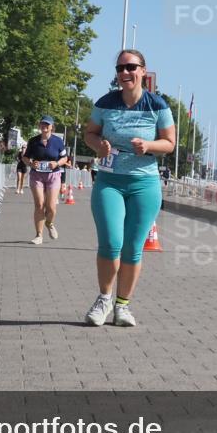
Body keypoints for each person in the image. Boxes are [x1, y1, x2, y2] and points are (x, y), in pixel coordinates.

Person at [83, 49, 176, 327]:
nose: (125, 73)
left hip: (143, 184)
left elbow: (169, 143)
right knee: (111, 243)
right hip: (110, 181)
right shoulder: (105, 103)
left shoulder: (157, 106)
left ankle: (122, 307)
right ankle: (103, 299)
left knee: (133, 248)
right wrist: (98, 145)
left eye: (131, 67)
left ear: (143, 71)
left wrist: (148, 146)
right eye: (120, 68)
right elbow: (89, 133)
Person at [25, 116, 68, 244]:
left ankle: (49, 223)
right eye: (42, 124)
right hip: (37, 175)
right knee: (39, 204)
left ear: (51, 127)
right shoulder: (33, 141)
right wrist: (31, 163)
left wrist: (57, 163)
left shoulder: (58, 141)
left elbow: (65, 158)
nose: (44, 126)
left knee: (51, 207)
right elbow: (25, 158)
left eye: (47, 124)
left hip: (53, 175)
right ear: (39, 126)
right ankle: (39, 235)